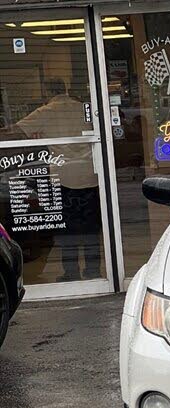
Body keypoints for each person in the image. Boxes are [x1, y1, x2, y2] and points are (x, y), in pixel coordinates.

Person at [14, 78, 102, 282]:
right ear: (65, 89)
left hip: (63, 176)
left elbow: (17, 130)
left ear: (47, 90)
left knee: (66, 230)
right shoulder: (83, 108)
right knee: (90, 228)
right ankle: (93, 272)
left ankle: (71, 273)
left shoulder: (46, 111)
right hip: (90, 173)